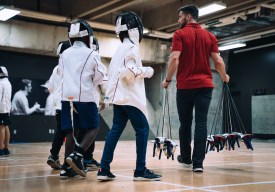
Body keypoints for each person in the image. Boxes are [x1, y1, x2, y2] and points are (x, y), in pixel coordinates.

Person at [162, 5, 230, 172]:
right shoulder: (210, 36)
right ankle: (198, 163)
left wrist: (168, 79)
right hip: (205, 86)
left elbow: (174, 59)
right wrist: (224, 77)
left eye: (180, 17)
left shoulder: (179, 34)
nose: (178, 20)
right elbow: (218, 61)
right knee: (201, 123)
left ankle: (186, 159)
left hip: (185, 87)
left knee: (185, 123)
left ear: (188, 17)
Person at [97, 11, 161, 181]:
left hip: (119, 98)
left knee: (115, 131)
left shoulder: (119, 49)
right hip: (130, 98)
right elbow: (129, 71)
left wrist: (108, 97)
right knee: (143, 129)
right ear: (134, 29)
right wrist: (147, 71)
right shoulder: (132, 47)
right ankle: (140, 170)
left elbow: (117, 73)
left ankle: (104, 168)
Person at [59, 19, 106, 178]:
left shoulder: (64, 53)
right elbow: (100, 76)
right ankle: (77, 155)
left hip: (67, 97)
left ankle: (66, 168)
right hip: (85, 96)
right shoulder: (92, 54)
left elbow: (61, 73)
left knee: (72, 132)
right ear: (87, 37)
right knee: (93, 127)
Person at [0, 66, 12, 157]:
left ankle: (0, 149)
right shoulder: (8, 83)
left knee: (1, 127)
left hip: (1, 109)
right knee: (6, 126)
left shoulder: (1, 83)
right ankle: (6, 148)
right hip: (7, 108)